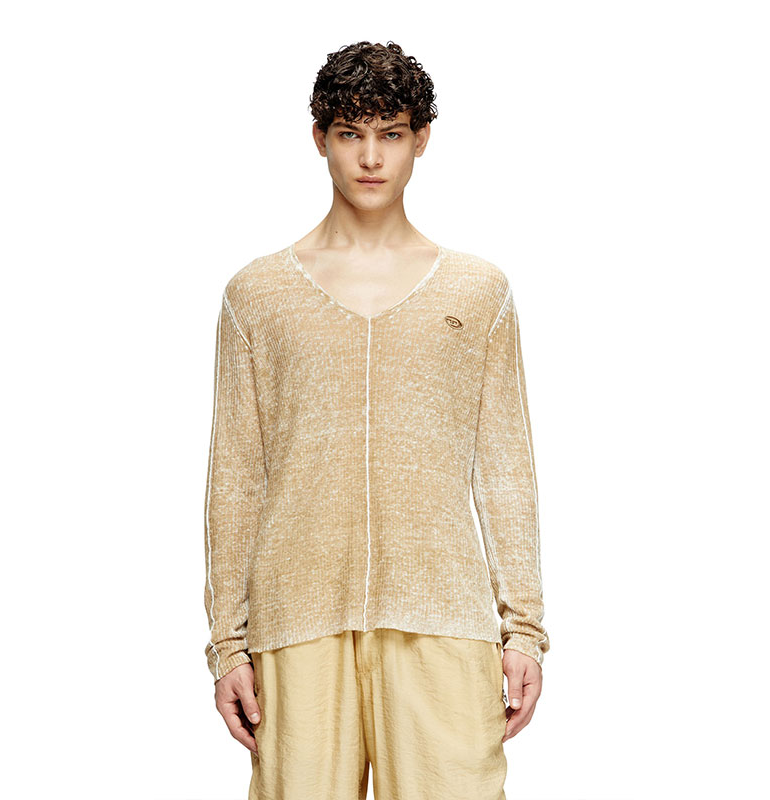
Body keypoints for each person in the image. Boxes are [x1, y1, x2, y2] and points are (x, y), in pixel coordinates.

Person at [203, 40, 550, 800]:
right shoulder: (256, 296)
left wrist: (523, 628)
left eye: (390, 134)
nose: (370, 157)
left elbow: (506, 469)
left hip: (442, 616)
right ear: (319, 138)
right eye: (350, 133)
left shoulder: (478, 292)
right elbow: (235, 478)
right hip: (297, 621)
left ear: (421, 139)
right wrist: (227, 645)